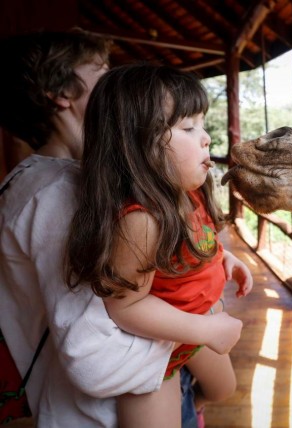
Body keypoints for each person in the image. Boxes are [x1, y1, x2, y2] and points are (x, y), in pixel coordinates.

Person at [0, 30, 175, 427]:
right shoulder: (58, 194)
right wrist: (196, 332)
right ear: (61, 91)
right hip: (102, 413)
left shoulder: (29, 182)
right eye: (101, 70)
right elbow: (92, 353)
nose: (113, 78)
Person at [65, 63, 254, 427]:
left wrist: (224, 257)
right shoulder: (142, 220)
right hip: (158, 348)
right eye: (188, 127)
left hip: (197, 322)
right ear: (138, 143)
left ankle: (190, 402)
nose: (206, 138)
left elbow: (197, 243)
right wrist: (207, 330)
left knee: (222, 389)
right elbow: (126, 308)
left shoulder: (188, 193)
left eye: (201, 124)